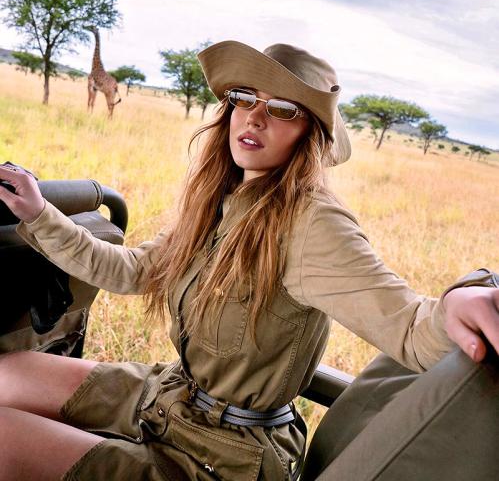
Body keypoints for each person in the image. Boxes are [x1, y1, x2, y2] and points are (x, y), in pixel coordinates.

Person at [0, 40, 497, 481]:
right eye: (244, 99)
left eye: (282, 109)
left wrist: (460, 299)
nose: (255, 118)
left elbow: (410, 326)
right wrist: (39, 213)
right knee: (9, 372)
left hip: (226, 453)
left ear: (310, 135)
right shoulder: (220, 198)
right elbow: (133, 270)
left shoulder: (311, 223)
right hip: (173, 396)